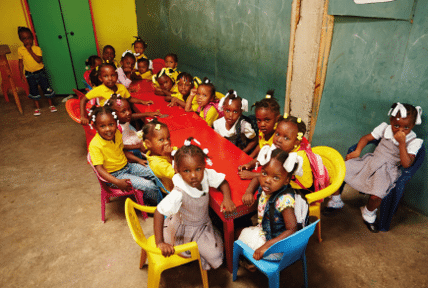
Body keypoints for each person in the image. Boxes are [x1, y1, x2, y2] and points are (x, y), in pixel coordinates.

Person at [324, 102, 423, 233]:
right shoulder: (385, 128)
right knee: (337, 170)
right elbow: (366, 138)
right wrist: (357, 151)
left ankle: (368, 212)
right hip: (371, 161)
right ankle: (336, 200)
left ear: (413, 125)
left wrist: (402, 143)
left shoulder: (414, 141)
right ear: (391, 120)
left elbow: (406, 164)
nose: (400, 130)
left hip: (388, 170)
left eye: (406, 127)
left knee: (377, 195)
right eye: (396, 125)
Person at [153, 140, 236, 270]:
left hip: (203, 223)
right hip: (184, 229)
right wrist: (160, 242)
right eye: (186, 171)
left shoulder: (205, 175)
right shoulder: (179, 192)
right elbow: (159, 212)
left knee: (216, 250)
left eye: (198, 169)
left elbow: (222, 182)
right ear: (177, 170)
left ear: (204, 166)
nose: (193, 176)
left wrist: (227, 198)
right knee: (216, 256)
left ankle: (212, 235)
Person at [239, 148, 308, 267]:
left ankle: (249, 263)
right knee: (242, 229)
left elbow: (292, 229)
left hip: (277, 248)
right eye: (264, 173)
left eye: (275, 177)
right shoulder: (270, 187)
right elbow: (257, 178)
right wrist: (249, 191)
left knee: (238, 233)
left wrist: (267, 246)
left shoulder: (283, 200)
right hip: (267, 233)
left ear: (287, 180)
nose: (267, 181)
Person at [87, 105, 161, 205]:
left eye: (111, 124)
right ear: (95, 127)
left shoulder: (116, 133)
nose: (108, 129)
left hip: (127, 166)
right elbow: (99, 169)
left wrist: (138, 160)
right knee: (149, 185)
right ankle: (153, 207)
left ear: (116, 123)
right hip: (115, 176)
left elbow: (121, 151)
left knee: (156, 171)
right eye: (102, 126)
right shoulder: (95, 145)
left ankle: (156, 197)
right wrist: (117, 182)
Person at [79, 63, 153, 125]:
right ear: (100, 78)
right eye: (106, 76)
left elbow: (129, 99)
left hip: (121, 118)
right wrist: (83, 116)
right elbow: (83, 100)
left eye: (113, 75)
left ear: (117, 76)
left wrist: (143, 102)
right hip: (108, 121)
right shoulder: (99, 89)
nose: (110, 78)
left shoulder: (121, 87)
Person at [237, 91, 281, 179]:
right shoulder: (263, 132)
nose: (262, 124)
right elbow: (261, 147)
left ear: (277, 119)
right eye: (259, 120)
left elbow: (276, 171)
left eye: (267, 120)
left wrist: (253, 175)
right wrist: (249, 162)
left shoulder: (278, 140)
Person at [17, 26, 56, 116]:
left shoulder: (37, 48)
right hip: (29, 75)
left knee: (46, 88)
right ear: (21, 40)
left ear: (33, 38)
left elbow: (38, 60)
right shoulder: (20, 50)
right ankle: (37, 107)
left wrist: (30, 51)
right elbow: (20, 63)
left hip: (40, 73)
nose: (28, 41)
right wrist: (21, 74)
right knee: (33, 90)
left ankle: (51, 105)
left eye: (29, 38)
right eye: (25, 39)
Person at [142, 121, 176, 192]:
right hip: (174, 190)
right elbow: (177, 175)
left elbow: (179, 151)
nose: (167, 142)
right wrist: (170, 155)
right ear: (148, 143)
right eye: (161, 140)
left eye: (168, 138)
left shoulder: (161, 152)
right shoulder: (156, 163)